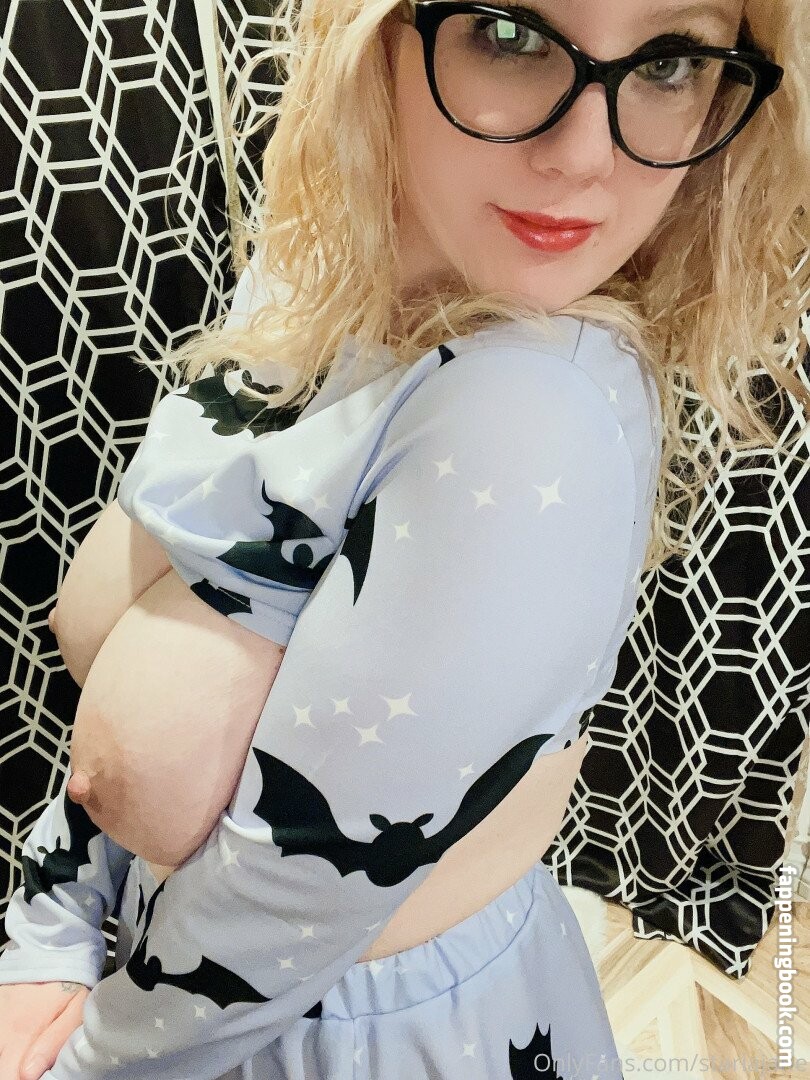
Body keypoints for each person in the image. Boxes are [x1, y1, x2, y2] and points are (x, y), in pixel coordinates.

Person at [1, 0, 807, 1077]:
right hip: (167, 989)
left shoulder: (525, 420)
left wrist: (83, 1060)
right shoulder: (317, 275)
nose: (583, 155)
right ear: (374, 30)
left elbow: (284, 901)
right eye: (510, 34)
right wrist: (51, 930)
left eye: (669, 61)